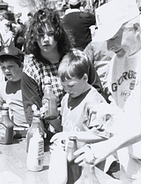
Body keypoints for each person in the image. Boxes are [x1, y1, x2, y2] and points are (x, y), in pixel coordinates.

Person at [74, 0, 141, 184]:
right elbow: (122, 106)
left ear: (136, 28)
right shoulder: (116, 61)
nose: (109, 46)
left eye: (113, 37)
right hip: (127, 162)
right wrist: (108, 112)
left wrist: (105, 148)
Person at [22, 8, 102, 141]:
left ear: (58, 34)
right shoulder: (32, 68)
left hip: (83, 132)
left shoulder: (77, 57)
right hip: (50, 136)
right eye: (40, 35)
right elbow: (32, 110)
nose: (45, 40)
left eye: (50, 34)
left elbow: (96, 89)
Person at [0, 46, 28, 128]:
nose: (6, 70)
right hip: (11, 129)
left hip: (29, 128)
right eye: (3, 67)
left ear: (21, 66)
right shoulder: (3, 87)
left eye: (10, 67)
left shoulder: (29, 85)